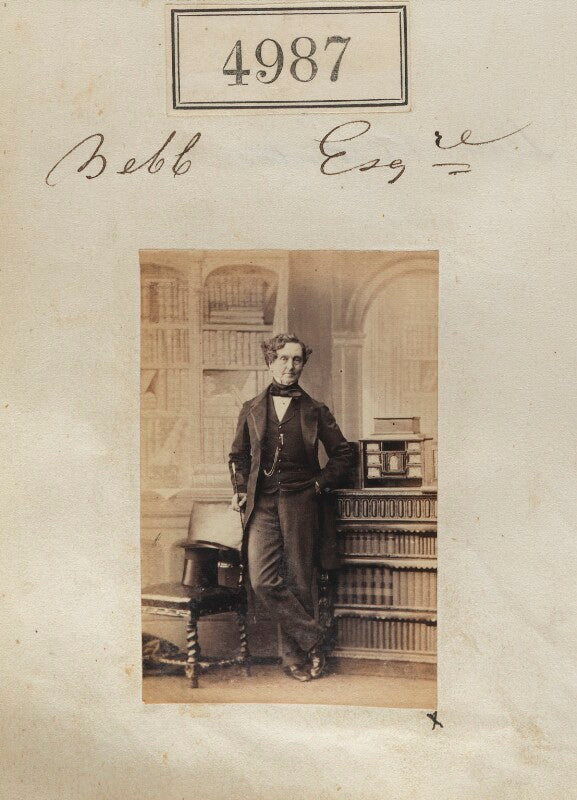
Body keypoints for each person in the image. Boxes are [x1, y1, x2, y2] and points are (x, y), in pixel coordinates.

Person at [229, 333, 352, 681]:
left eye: (297, 359)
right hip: (263, 504)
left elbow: (343, 454)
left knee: (299, 579)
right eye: (283, 358)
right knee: (263, 580)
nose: (290, 366)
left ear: (303, 364)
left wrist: (319, 485)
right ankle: (316, 639)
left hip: (302, 502)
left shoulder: (315, 410)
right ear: (270, 362)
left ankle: (293, 659)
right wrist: (240, 489)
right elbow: (237, 456)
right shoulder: (251, 408)